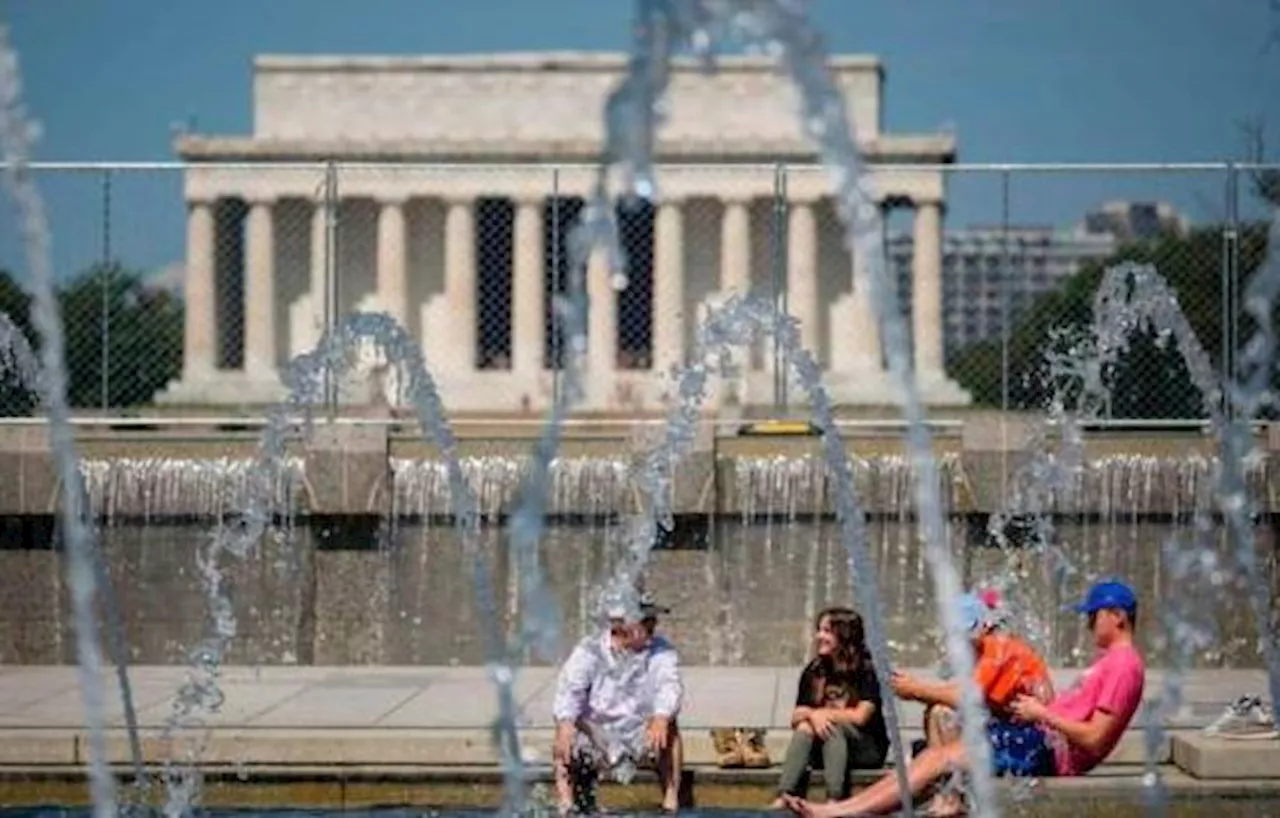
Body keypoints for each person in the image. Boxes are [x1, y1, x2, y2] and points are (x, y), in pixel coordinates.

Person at [782, 579, 1146, 818]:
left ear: (1116, 617)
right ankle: (849, 808)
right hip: (1039, 738)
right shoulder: (1112, 663)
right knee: (935, 751)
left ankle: (841, 811)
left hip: (1049, 750)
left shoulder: (1124, 665)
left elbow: (1096, 738)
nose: (1088, 625)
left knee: (939, 753)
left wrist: (1041, 713)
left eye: (1092, 617)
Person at [890, 590, 1054, 814]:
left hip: (1030, 745)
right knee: (938, 712)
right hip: (1009, 734)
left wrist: (915, 689)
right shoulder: (982, 651)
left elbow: (965, 697)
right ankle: (946, 791)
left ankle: (953, 797)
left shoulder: (998, 648)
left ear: (983, 628)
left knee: (944, 713)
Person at [551, 590, 684, 814]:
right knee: (565, 728)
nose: (654, 625)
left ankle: (670, 802)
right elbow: (569, 692)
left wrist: (661, 715)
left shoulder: (661, 650)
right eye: (646, 621)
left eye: (653, 620)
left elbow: (670, 685)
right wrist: (565, 724)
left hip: (639, 734)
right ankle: (566, 804)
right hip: (597, 737)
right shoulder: (589, 650)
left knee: (669, 724)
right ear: (622, 626)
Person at [772, 607, 890, 806]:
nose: (819, 636)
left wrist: (821, 715)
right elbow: (796, 716)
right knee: (805, 727)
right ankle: (785, 795)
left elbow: (861, 716)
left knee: (831, 726)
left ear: (844, 635)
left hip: (865, 748)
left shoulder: (866, 670)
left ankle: (835, 798)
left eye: (827, 631)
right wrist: (813, 715)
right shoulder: (815, 670)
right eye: (819, 630)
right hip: (825, 747)